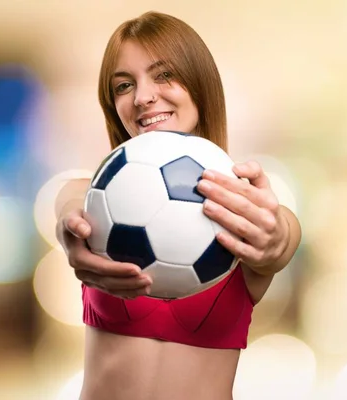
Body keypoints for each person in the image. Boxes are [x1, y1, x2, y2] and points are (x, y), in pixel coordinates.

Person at [55, 11, 302, 400]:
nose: (142, 97)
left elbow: (282, 233)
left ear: (200, 83)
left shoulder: (242, 212)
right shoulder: (95, 199)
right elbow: (70, 208)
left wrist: (279, 236)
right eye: (123, 85)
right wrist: (71, 232)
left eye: (164, 74)